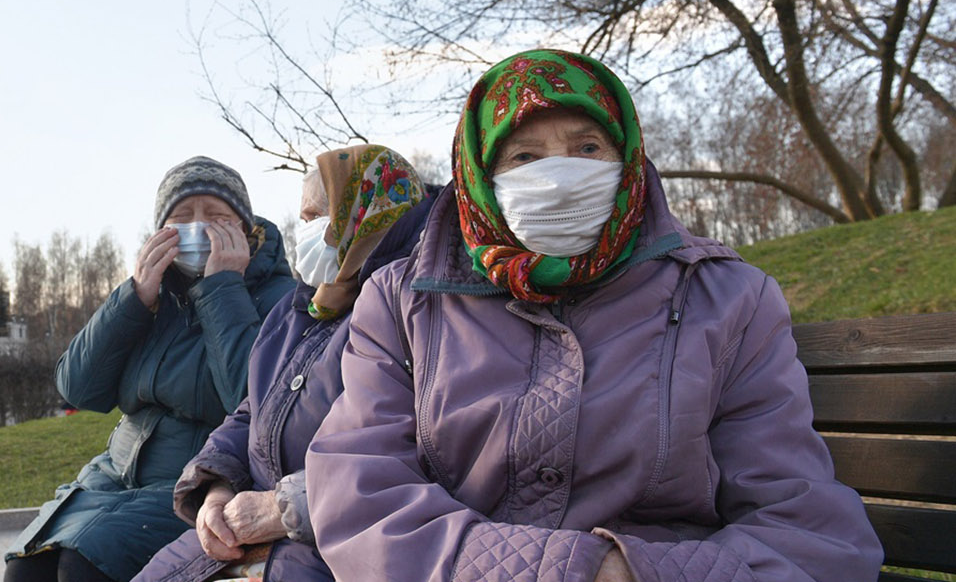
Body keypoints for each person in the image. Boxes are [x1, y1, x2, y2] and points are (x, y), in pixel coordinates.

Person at [304, 50, 882, 582]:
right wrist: (574, 571)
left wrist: (637, 573)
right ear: (479, 174)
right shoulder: (404, 300)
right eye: (524, 157)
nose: (558, 178)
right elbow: (361, 493)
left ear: (626, 157)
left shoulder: (728, 297)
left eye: (586, 149)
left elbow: (807, 531)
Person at [134, 145, 432, 582]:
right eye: (304, 219)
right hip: (243, 524)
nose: (306, 232)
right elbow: (252, 406)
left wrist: (285, 507)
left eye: (318, 216)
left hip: (332, 543)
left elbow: (420, 453)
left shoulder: (415, 306)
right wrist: (217, 485)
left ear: (368, 212)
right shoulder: (301, 306)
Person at [6, 156, 296, 582]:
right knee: (25, 571)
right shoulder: (158, 292)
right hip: (112, 475)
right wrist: (133, 297)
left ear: (245, 229)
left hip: (194, 485)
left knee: (83, 568)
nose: (198, 228)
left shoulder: (280, 299)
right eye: (182, 217)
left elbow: (255, 405)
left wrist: (221, 288)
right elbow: (78, 388)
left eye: (217, 216)